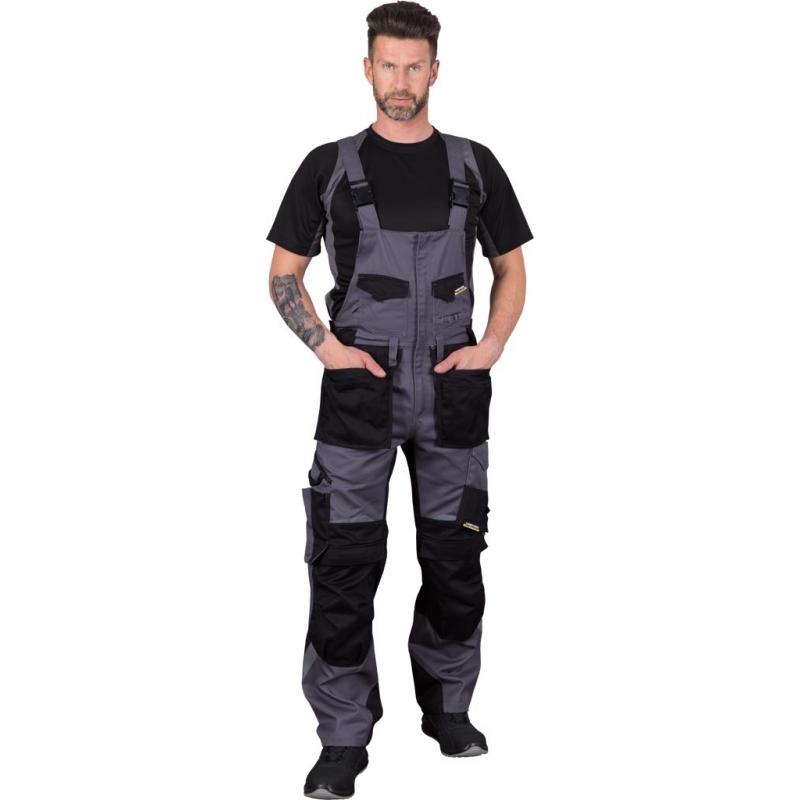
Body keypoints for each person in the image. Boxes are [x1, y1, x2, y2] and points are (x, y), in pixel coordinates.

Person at [266, 2, 532, 796]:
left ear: (435, 70)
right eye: (389, 64)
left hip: (453, 388)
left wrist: (491, 346)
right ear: (367, 69)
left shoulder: (474, 165)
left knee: (455, 557)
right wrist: (327, 348)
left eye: (415, 65)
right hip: (360, 389)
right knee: (343, 565)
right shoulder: (328, 166)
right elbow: (283, 273)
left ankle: (449, 709)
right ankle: (343, 737)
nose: (402, 80)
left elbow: (512, 269)